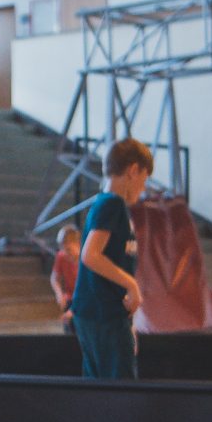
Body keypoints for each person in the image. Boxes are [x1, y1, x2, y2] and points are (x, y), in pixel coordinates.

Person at [72, 139, 152, 379]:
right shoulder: (112, 204)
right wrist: (132, 285)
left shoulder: (106, 204)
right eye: (144, 179)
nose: (143, 188)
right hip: (102, 313)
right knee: (119, 392)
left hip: (102, 312)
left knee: (99, 389)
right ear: (133, 171)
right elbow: (90, 254)